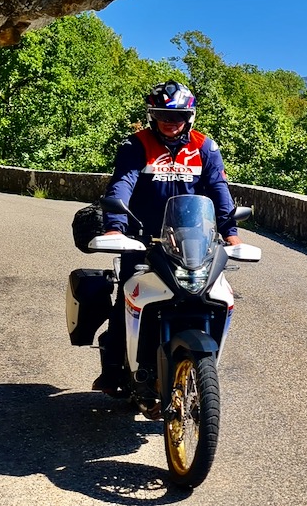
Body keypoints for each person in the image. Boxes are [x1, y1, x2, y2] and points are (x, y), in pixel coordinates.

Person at [92, 80, 242, 394]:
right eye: (162, 115)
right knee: (128, 298)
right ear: (151, 114)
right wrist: (115, 228)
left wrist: (230, 233)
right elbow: (121, 186)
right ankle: (115, 371)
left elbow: (219, 191)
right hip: (144, 238)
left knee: (209, 294)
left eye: (176, 117)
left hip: (193, 240)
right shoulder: (136, 146)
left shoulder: (205, 147)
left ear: (190, 117)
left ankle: (200, 369)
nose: (169, 122)